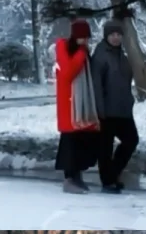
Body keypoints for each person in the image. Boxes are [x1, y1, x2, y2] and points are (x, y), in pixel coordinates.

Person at [91, 18, 139, 193]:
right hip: (106, 110)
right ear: (106, 35)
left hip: (123, 109)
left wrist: (130, 100)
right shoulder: (100, 56)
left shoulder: (121, 55)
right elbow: (96, 85)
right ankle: (108, 180)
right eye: (112, 34)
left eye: (119, 34)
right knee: (105, 147)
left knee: (131, 140)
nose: (116, 38)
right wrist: (99, 111)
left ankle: (112, 174)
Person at [54, 19, 100, 194]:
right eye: (82, 38)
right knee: (70, 142)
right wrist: (81, 53)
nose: (85, 42)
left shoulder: (83, 51)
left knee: (81, 141)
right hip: (69, 104)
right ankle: (69, 178)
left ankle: (77, 176)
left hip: (80, 104)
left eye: (87, 38)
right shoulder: (64, 48)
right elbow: (68, 72)